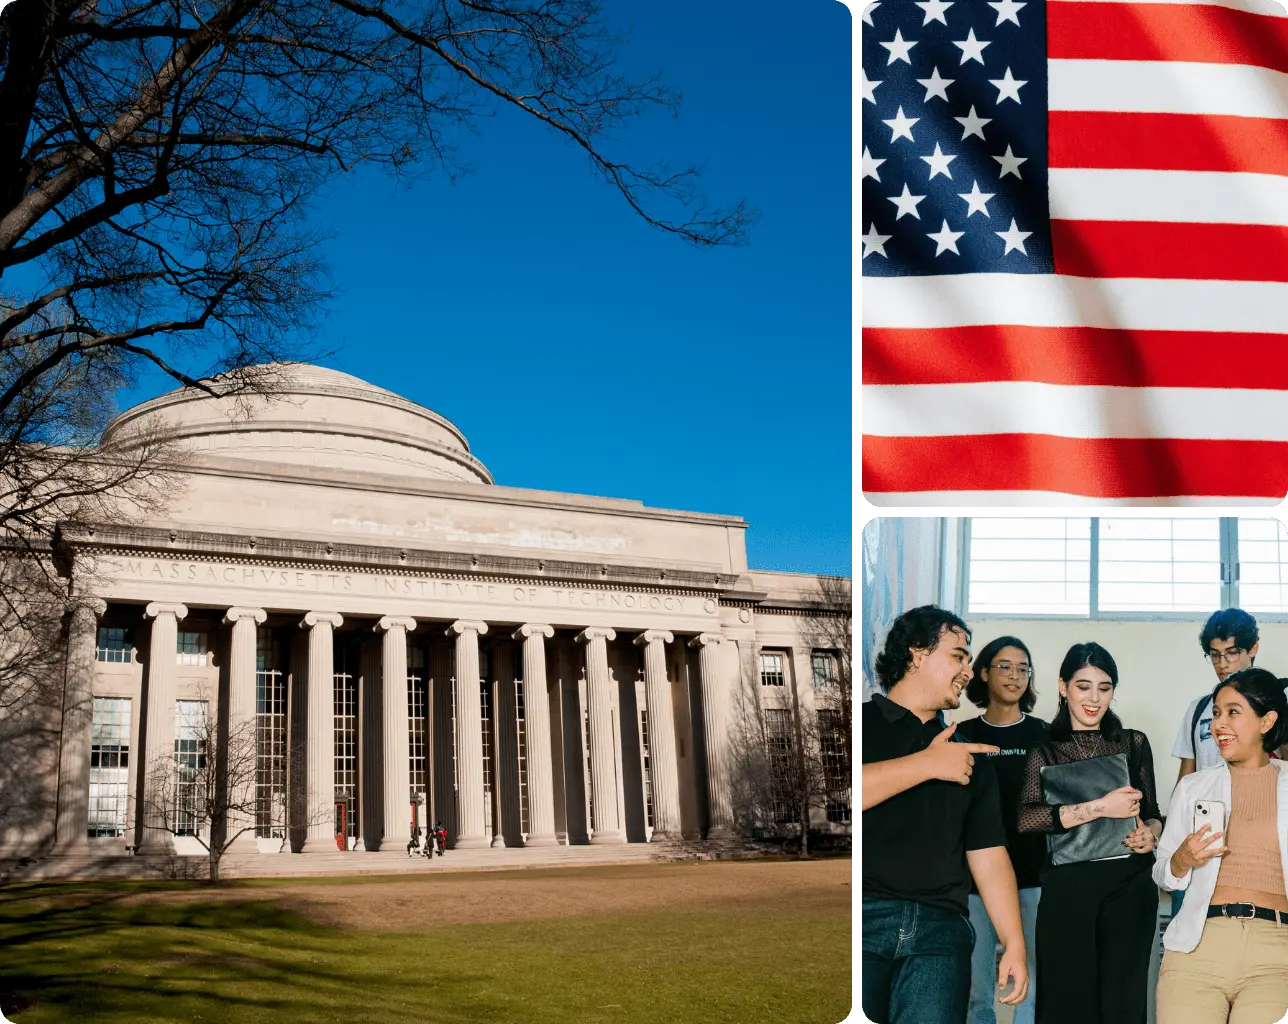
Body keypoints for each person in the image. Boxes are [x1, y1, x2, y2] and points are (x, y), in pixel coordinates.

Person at [860, 605, 1030, 1024]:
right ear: (917, 654)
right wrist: (928, 765)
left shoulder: (972, 754)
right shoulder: (859, 722)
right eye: (959, 655)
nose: (969, 672)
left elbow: (989, 856)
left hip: (941, 935)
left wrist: (1014, 944)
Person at [1017, 642, 1162, 1024]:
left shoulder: (1133, 743)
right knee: (1068, 1003)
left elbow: (1152, 814)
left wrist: (1151, 834)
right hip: (1068, 890)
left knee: (1124, 1005)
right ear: (1063, 687)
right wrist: (1100, 807)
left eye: (1104, 687)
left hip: (1129, 885)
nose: (1094, 698)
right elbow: (1027, 819)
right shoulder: (1044, 752)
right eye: (1083, 686)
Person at [1154, 668, 1288, 1024]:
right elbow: (1163, 873)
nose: (1218, 725)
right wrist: (1182, 859)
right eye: (1215, 713)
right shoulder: (1193, 787)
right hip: (1198, 948)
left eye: (1232, 712)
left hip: (1277, 955)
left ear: (1266, 721)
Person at [956, 636, 1048, 1024]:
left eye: (1023, 668)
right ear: (983, 672)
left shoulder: (1045, 734)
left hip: (1033, 878)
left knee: (1029, 984)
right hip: (974, 883)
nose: (1015, 676)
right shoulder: (959, 734)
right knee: (974, 989)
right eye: (1005, 666)